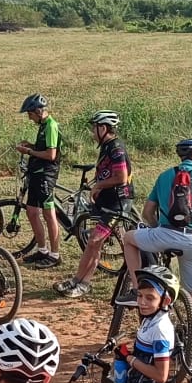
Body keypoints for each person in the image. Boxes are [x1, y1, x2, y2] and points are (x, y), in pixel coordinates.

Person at [122, 137, 192, 366]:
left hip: (164, 235)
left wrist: (159, 229)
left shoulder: (165, 175)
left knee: (129, 239)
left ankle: (137, 289)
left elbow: (147, 212)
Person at [55, 111, 129, 298]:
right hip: (108, 201)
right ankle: (79, 281)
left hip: (117, 204)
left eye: (93, 128)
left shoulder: (116, 148)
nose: (91, 132)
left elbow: (121, 177)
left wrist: (99, 185)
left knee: (94, 241)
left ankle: (82, 282)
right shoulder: (106, 147)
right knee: (94, 243)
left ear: (103, 128)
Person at [12, 94, 63, 269]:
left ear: (38, 111)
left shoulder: (51, 126)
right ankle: (42, 250)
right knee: (32, 212)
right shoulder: (42, 126)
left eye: (30, 113)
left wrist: (28, 152)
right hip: (36, 173)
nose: (29, 117)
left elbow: (51, 155)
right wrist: (31, 146)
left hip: (46, 175)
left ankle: (55, 255)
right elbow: (43, 148)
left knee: (49, 215)